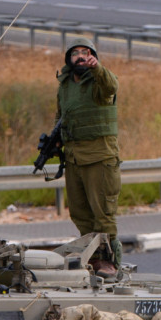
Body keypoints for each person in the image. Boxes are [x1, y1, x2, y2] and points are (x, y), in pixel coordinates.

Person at [55, 37, 122, 278]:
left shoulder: (98, 80)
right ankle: (92, 257)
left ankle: (108, 261)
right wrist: (57, 139)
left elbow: (111, 87)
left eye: (86, 52)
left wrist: (98, 68)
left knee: (102, 212)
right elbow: (61, 115)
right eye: (76, 53)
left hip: (100, 157)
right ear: (68, 59)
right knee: (80, 212)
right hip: (74, 159)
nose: (81, 57)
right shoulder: (65, 84)